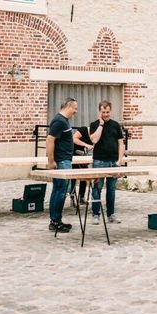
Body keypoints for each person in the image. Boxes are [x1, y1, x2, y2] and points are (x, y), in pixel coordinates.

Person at [46, 98, 101, 232]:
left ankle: (54, 220)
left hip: (65, 160)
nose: (76, 112)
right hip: (62, 161)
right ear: (69, 106)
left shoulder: (63, 121)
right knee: (60, 191)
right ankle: (56, 221)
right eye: (75, 108)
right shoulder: (59, 121)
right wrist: (51, 161)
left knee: (58, 190)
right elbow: (50, 140)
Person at [88, 100, 126, 225]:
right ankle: (95, 214)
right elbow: (94, 139)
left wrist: (120, 160)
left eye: (107, 112)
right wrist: (101, 124)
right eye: (103, 112)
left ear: (111, 111)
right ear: (100, 112)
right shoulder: (94, 124)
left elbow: (121, 143)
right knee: (97, 188)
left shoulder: (116, 125)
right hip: (99, 161)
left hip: (113, 161)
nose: (105, 114)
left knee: (111, 189)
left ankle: (111, 214)